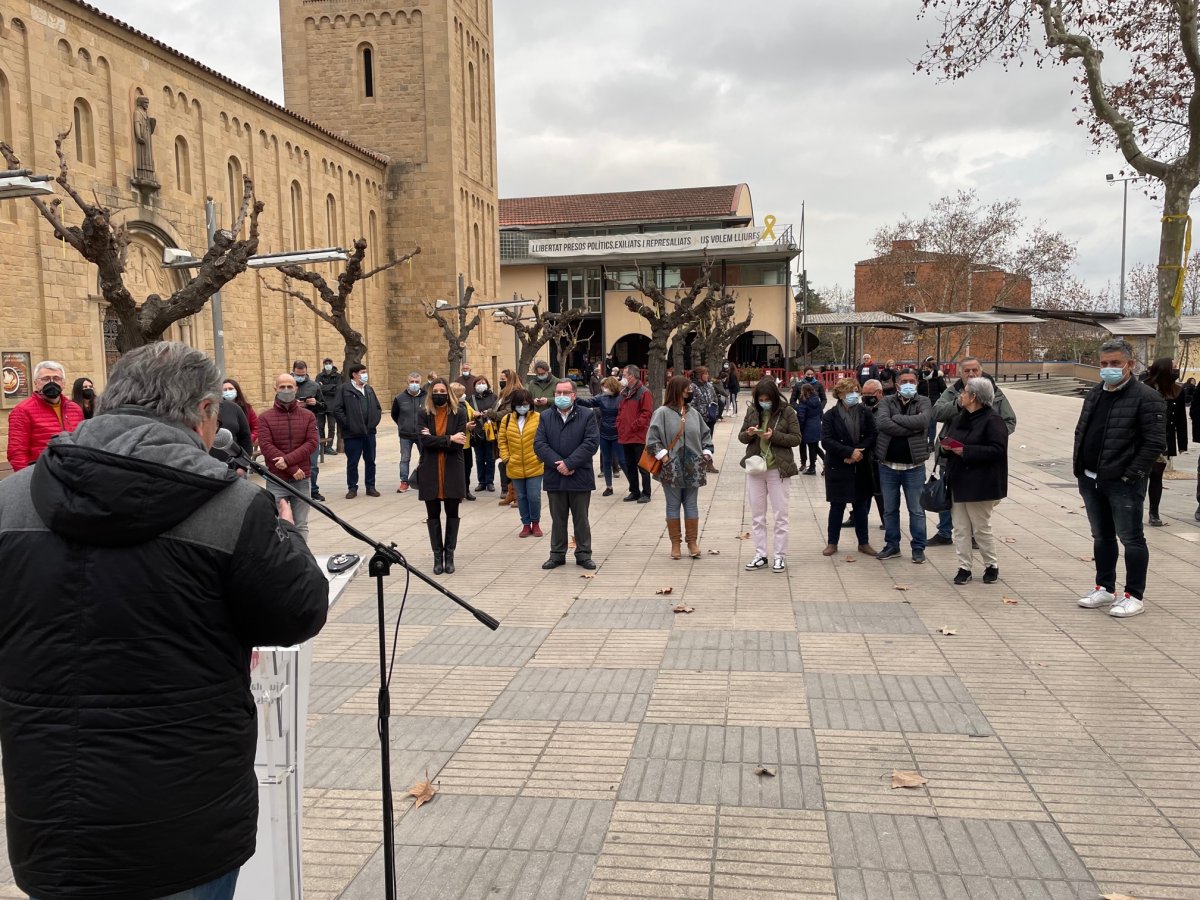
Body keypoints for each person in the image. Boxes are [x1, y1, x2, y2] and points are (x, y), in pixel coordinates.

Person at [0, 341, 328, 900]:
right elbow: (297, 611)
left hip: (53, 812)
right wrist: (281, 533)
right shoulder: (231, 506)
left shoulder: (9, 501)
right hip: (185, 819)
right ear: (204, 412)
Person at [1074, 339, 1167, 619]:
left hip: (1123, 483)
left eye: (1115, 363)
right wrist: (1080, 468)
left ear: (1130, 364)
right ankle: (1104, 587)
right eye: (1103, 364)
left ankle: (1134, 596)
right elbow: (1082, 431)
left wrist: (1131, 475)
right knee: (1101, 536)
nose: (1109, 369)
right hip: (1091, 479)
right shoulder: (1095, 394)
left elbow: (1154, 443)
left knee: (1131, 538)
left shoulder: (1147, 398)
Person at [928, 357, 1017, 545]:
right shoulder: (952, 392)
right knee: (947, 494)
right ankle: (945, 532)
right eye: (967, 370)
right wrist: (958, 404)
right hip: (951, 455)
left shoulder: (994, 392)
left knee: (977, 497)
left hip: (979, 457)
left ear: (981, 371)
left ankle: (976, 535)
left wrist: (991, 434)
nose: (971, 374)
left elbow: (1009, 421)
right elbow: (936, 413)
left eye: (975, 370)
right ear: (960, 373)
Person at [647, 375, 715, 559]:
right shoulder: (661, 413)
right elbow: (652, 441)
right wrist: (665, 458)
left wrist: (707, 452)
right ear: (677, 390)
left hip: (694, 467)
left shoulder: (693, 413)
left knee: (691, 505)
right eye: (686, 389)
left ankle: (692, 542)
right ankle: (675, 544)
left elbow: (706, 436)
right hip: (672, 468)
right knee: (673, 505)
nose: (689, 392)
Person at [534, 380, 600, 570]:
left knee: (581, 519)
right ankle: (557, 554)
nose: (561, 396)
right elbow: (540, 444)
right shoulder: (546, 416)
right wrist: (559, 464)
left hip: (579, 475)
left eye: (565, 392)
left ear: (573, 395)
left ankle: (583, 554)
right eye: (558, 393)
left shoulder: (587, 415)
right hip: (555, 475)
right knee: (558, 519)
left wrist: (570, 463)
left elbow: (591, 443)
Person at [738, 378, 801, 572]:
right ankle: (760, 554)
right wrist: (749, 433)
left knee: (780, 515)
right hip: (756, 468)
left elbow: (797, 438)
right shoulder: (752, 411)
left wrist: (773, 436)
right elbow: (741, 437)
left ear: (774, 396)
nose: (764, 402)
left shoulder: (787, 411)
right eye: (761, 399)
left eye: (767, 399)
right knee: (757, 516)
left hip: (777, 469)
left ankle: (779, 556)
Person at [875, 369, 932, 563]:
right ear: (897, 385)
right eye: (904, 381)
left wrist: (896, 419)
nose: (908, 384)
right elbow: (882, 423)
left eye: (912, 381)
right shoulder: (886, 401)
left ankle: (918, 548)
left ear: (916, 383)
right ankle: (892, 545)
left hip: (913, 467)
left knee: (916, 510)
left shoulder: (924, 401)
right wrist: (912, 428)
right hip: (888, 466)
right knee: (890, 509)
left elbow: (924, 421)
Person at [257, 372, 320, 542]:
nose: (286, 390)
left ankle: (303, 561)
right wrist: (291, 467)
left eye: (289, 387)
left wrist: (288, 461)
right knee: (278, 525)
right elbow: (266, 446)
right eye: (282, 387)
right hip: (277, 479)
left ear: (296, 389)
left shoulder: (308, 416)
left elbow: (312, 442)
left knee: (301, 525)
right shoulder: (264, 418)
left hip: (302, 479)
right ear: (275, 389)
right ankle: (284, 562)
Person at [821, 377, 879, 558]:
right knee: (837, 506)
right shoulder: (830, 415)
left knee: (861, 506)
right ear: (839, 394)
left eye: (856, 391)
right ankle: (832, 542)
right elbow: (827, 440)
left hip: (860, 463)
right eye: (849, 392)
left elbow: (872, 434)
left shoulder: (864, 412)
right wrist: (847, 453)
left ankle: (863, 542)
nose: (854, 395)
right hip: (838, 466)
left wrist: (857, 453)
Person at [418, 379, 468, 574]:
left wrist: (437, 439)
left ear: (449, 393)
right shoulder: (424, 414)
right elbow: (424, 441)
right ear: (431, 393)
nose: (439, 394)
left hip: (452, 470)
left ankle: (450, 556)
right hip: (430, 470)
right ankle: (437, 557)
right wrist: (448, 438)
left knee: (452, 513)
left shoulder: (459, 413)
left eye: (442, 390)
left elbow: (459, 443)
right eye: (436, 390)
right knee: (432, 515)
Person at [6, 360, 85, 470]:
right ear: (36, 383)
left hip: (73, 473)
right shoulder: (22, 411)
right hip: (42, 474)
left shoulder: (75, 409)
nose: (51, 382)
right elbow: (17, 453)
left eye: (56, 378)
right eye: (46, 379)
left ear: (63, 383)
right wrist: (27, 481)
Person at [1143, 358, 1189, 526]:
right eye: (1174, 368)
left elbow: (1181, 419)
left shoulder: (1177, 390)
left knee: (1156, 475)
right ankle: (1132, 508)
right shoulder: (1144, 387)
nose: (1176, 371)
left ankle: (1154, 512)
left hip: (1163, 440)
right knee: (1139, 475)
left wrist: (1182, 443)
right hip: (1142, 439)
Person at [497, 388, 544, 537]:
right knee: (521, 497)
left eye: (525, 404)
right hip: (514, 465)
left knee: (534, 496)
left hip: (534, 464)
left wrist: (540, 457)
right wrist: (506, 458)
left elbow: (545, 439)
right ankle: (525, 524)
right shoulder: (507, 420)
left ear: (530, 404)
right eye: (519, 405)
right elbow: (502, 440)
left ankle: (535, 523)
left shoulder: (538, 418)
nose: (522, 407)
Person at [331, 363, 382, 498]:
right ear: (354, 374)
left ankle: (370, 487)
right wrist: (348, 424)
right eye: (362, 372)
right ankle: (352, 488)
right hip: (352, 433)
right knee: (353, 462)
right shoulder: (344, 389)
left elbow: (377, 407)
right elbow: (337, 409)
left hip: (369, 432)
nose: (365, 374)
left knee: (370, 460)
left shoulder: (369, 389)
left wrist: (374, 422)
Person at [576, 375, 622, 496]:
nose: (604, 389)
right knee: (606, 460)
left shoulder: (622, 398)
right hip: (604, 432)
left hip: (619, 433)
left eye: (606, 387)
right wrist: (575, 398)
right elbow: (587, 402)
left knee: (623, 461)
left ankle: (634, 486)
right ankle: (609, 486)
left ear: (612, 386)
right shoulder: (601, 397)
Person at [617, 364, 654, 503]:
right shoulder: (624, 392)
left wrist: (635, 425)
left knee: (643, 466)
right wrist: (619, 424)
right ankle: (634, 491)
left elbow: (647, 413)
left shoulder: (644, 392)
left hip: (638, 435)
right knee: (630, 465)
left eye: (625, 375)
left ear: (632, 376)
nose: (623, 378)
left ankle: (646, 493)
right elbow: (620, 411)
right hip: (625, 435)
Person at [292, 360, 326, 501]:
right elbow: (277, 405)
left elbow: (324, 407)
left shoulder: (314, 385)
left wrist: (315, 403)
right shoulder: (287, 384)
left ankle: (313, 490)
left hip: (311, 427)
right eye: (298, 374)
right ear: (293, 371)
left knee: (312, 462)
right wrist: (293, 404)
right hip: (292, 428)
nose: (300, 377)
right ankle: (295, 491)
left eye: (303, 374)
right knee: (293, 462)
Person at [390, 372, 425, 493]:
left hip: (422, 434)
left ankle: (424, 480)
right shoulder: (400, 398)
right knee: (405, 458)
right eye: (412, 382)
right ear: (407, 383)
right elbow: (395, 414)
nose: (414, 384)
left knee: (425, 457)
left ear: (421, 383)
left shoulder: (426, 397)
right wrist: (403, 425)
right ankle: (404, 482)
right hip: (405, 435)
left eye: (417, 382)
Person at [493, 368, 522, 506]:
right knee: (504, 462)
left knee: (511, 462)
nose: (501, 381)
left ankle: (517, 494)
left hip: (512, 429)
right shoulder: (503, 393)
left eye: (503, 379)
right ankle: (510, 492)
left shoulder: (515, 393)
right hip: (501, 429)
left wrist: (493, 415)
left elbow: (509, 411)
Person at [448, 382, 479, 501]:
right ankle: (457, 492)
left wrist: (476, 415)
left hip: (466, 443)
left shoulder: (464, 403)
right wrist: (465, 426)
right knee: (456, 469)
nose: (464, 395)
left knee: (468, 467)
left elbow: (472, 412)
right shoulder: (450, 407)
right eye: (461, 393)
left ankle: (466, 490)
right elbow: (450, 427)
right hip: (456, 443)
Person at [212, 386, 252, 476]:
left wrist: (242, 467)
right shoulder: (191, 411)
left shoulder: (234, 408)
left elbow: (246, 439)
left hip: (234, 471)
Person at [471, 374, 498, 491]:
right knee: (479, 458)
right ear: (474, 386)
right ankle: (481, 481)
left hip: (490, 431)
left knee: (490, 458)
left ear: (487, 385)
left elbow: (496, 410)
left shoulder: (493, 397)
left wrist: (489, 413)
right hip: (477, 432)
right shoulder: (471, 399)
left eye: (483, 383)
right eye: (478, 383)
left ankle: (490, 481)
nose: (481, 385)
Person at [794, 382, 825, 475]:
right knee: (815, 447)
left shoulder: (804, 402)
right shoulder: (817, 400)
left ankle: (812, 468)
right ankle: (826, 462)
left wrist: (801, 428)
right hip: (817, 425)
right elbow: (821, 414)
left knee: (812, 448)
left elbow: (801, 417)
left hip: (808, 427)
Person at [917, 357, 947, 448]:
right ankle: (924, 442)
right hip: (923, 405)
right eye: (924, 369)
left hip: (934, 403)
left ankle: (931, 444)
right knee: (925, 425)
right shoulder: (920, 379)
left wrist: (941, 401)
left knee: (932, 424)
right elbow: (918, 392)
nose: (925, 370)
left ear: (931, 369)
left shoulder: (937, 378)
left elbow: (944, 391)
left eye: (927, 369)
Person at [222, 378, 258, 449]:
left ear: (237, 390)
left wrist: (249, 439)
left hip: (243, 448)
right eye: (225, 390)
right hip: (224, 448)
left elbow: (256, 427)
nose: (228, 391)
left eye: (230, 389)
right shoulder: (218, 409)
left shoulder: (247, 408)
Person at [316, 357, 342, 454]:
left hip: (333, 405)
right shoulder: (319, 376)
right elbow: (317, 388)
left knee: (332, 427)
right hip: (321, 405)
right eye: (326, 363)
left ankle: (329, 447)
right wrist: (332, 387)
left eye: (329, 363)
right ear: (323, 364)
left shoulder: (338, 376)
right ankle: (322, 447)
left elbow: (338, 389)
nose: (327, 364)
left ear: (332, 364)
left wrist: (324, 387)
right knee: (320, 426)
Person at [690, 366, 720, 435]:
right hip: (699, 420)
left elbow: (715, 400)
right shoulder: (692, 387)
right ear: (700, 375)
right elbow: (691, 404)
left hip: (711, 418)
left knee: (709, 441)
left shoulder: (709, 385)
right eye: (705, 374)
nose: (708, 375)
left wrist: (715, 414)